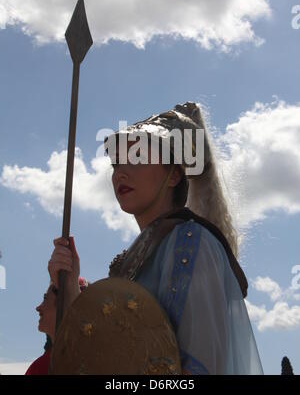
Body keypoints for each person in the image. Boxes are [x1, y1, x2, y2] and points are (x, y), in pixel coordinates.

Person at [48, 101, 264, 375]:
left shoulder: (190, 243)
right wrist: (67, 288)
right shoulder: (137, 258)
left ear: (174, 174)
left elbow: (199, 368)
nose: (120, 172)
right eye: (116, 163)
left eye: (137, 157)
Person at [25, 277, 88, 375]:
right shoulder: (40, 367)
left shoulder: (95, 360)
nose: (38, 307)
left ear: (63, 303)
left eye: (45, 298)